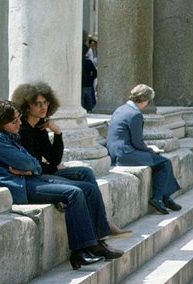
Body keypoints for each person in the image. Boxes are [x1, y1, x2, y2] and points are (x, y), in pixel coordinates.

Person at [0, 100, 119, 269]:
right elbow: (28, 163)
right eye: (14, 121)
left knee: (88, 188)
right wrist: (31, 169)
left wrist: (31, 169)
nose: (19, 123)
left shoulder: (9, 135)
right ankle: (80, 250)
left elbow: (34, 164)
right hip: (20, 186)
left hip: (29, 179)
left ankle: (95, 241)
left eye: (18, 118)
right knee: (74, 193)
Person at [11, 82, 129, 240]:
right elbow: (35, 165)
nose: (43, 107)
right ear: (26, 107)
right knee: (83, 185)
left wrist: (58, 132)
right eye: (37, 104)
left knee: (86, 172)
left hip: (42, 170)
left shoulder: (39, 127)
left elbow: (54, 159)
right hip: (33, 177)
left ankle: (102, 224)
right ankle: (101, 227)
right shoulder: (22, 130)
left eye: (45, 103)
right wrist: (52, 167)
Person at [106, 84, 181, 214]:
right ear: (145, 100)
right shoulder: (135, 114)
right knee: (164, 162)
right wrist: (150, 150)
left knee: (160, 161)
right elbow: (137, 142)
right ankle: (158, 198)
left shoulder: (121, 109)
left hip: (115, 151)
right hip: (125, 154)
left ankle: (165, 197)